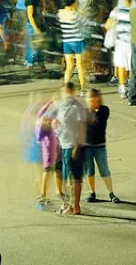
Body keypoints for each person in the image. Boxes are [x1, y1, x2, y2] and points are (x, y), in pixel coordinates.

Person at [50, 82, 91, 214]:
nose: (66, 95)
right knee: (70, 177)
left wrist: (77, 146)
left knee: (72, 178)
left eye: (68, 92)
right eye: (64, 93)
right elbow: (52, 120)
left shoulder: (77, 107)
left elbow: (82, 127)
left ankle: (73, 206)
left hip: (72, 146)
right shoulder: (62, 106)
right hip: (64, 145)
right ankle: (73, 206)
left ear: (73, 92)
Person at [82, 88, 121, 204]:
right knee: (89, 170)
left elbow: (97, 122)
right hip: (86, 146)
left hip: (100, 146)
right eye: (91, 101)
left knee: (104, 169)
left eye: (96, 101)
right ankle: (92, 192)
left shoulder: (104, 110)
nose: (94, 104)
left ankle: (111, 193)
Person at [57, 0, 88, 91]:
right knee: (80, 67)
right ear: (73, 2)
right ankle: (83, 89)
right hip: (77, 41)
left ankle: (67, 89)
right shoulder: (76, 15)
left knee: (69, 67)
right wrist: (80, 11)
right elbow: (85, 22)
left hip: (66, 42)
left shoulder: (60, 13)